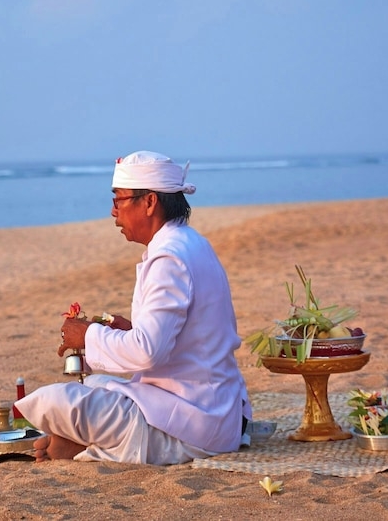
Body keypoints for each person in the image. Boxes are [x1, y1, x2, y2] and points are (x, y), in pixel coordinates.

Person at [15, 150, 251, 464]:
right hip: (209, 407)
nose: (113, 212)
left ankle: (87, 446)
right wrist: (129, 329)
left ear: (149, 202)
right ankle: (87, 444)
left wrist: (88, 335)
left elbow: (147, 353)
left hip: (197, 420)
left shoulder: (169, 257)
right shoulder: (189, 242)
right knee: (96, 383)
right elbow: (182, 340)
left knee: (53, 400)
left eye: (119, 200)